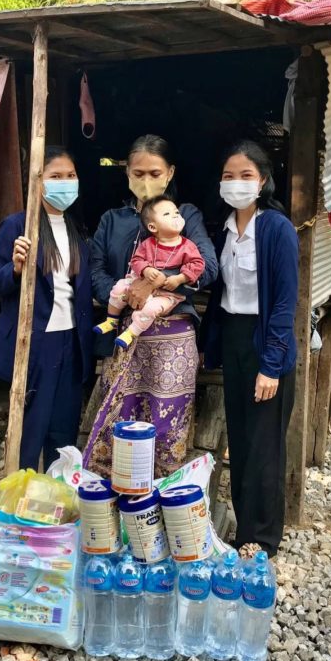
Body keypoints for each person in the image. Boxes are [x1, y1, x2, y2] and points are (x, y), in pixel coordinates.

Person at [84, 134, 218, 479]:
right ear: (127, 173)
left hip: (172, 336)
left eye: (154, 173)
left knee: (166, 421)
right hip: (124, 332)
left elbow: (209, 268)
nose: (146, 181)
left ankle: (160, 504)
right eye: (139, 173)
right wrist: (126, 295)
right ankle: (116, 500)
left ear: (170, 173)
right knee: (120, 422)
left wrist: (159, 282)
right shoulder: (112, 220)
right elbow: (95, 269)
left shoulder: (185, 215)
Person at [201, 140, 298, 558]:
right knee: (239, 439)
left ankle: (264, 538)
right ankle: (244, 529)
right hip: (236, 339)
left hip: (266, 342)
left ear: (262, 181)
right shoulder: (222, 227)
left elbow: (283, 302)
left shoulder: (276, 228)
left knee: (264, 443)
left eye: (245, 176)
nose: (236, 183)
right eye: (228, 175)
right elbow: (221, 293)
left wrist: (272, 366)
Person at [0, 146, 93, 471]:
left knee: (64, 429)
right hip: (34, 343)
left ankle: (56, 501)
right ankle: (21, 503)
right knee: (31, 428)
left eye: (70, 176)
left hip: (71, 342)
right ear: (38, 182)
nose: (65, 182)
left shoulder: (76, 229)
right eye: (55, 176)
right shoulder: (18, 226)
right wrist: (15, 269)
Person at [94, 196, 206, 349]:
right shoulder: (148, 244)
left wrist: (180, 278)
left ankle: (131, 332)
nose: (175, 216)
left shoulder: (187, 245)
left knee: (151, 309)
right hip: (137, 283)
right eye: (167, 214)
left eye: (177, 212)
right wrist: (145, 269)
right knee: (119, 287)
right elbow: (136, 260)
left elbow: (198, 264)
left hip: (168, 293)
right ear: (153, 227)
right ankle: (111, 319)